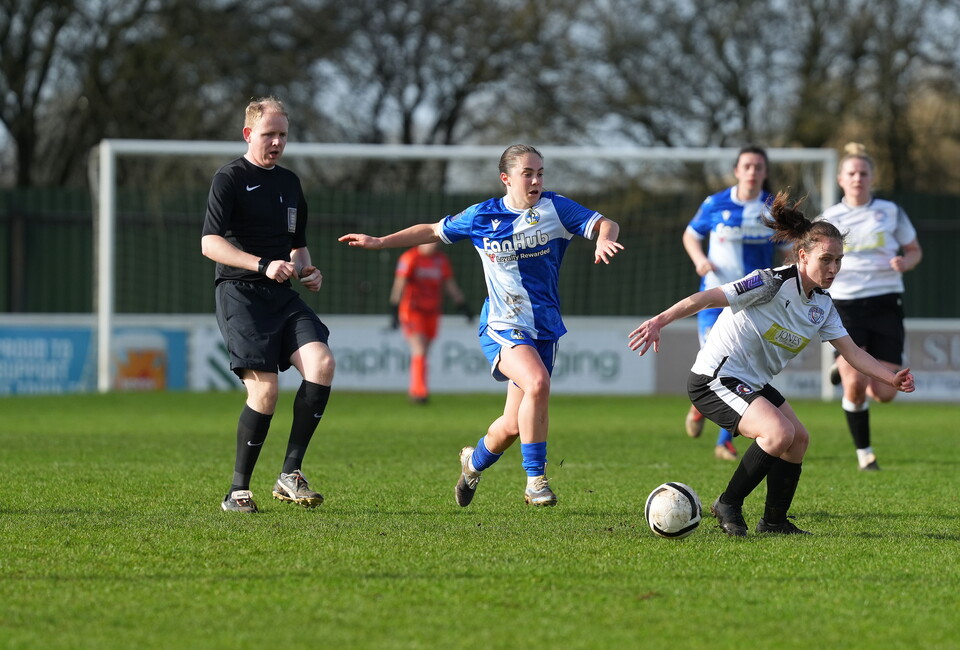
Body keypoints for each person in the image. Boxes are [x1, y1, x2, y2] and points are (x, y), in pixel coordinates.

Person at [340, 144, 623, 507]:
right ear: (506, 179)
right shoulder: (481, 216)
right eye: (528, 173)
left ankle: (471, 466)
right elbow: (432, 230)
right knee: (538, 382)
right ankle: (536, 480)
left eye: (540, 173)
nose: (536, 180)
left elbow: (606, 223)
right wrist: (381, 241)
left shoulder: (556, 208)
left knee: (512, 425)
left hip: (545, 327)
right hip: (502, 325)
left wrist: (604, 239)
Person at [628, 191, 915, 537]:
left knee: (799, 439)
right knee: (778, 433)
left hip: (751, 380)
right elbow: (709, 297)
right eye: (826, 259)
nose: (834, 268)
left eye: (839, 260)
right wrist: (660, 320)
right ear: (802, 254)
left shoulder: (821, 305)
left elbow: (852, 353)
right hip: (715, 377)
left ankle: (774, 521)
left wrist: (891, 377)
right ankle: (728, 503)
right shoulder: (770, 283)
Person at [201, 96, 335, 513]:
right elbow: (210, 243)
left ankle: (290, 474)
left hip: (281, 295)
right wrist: (261, 264)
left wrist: (308, 271)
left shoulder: (290, 183)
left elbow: (297, 246)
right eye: (268, 134)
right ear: (248, 134)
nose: (276, 142)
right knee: (266, 392)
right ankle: (237, 491)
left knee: (322, 364)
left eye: (282, 135)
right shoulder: (229, 178)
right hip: (240, 294)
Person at [818, 143, 922, 471]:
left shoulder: (890, 212)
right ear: (840, 179)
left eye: (864, 173)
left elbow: (915, 250)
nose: (858, 178)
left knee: (886, 391)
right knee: (855, 384)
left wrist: (905, 262)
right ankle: (865, 454)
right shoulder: (829, 218)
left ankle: (847, 365)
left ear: (872, 177)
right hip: (845, 304)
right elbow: (811, 260)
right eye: (852, 173)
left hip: (886, 302)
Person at [681, 146, 788, 461]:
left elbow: (788, 248)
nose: (752, 171)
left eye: (758, 166)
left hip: (754, 302)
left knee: (738, 370)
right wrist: (700, 260)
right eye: (747, 166)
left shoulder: (772, 208)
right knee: (714, 362)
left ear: (764, 172)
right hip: (714, 298)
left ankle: (723, 441)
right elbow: (690, 235)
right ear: (737, 170)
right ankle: (699, 408)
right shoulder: (716, 203)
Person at [390, 242, 473, 404]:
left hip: (432, 312)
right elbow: (399, 283)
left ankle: (416, 389)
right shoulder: (410, 257)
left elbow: (450, 284)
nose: (434, 245)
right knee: (419, 349)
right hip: (412, 311)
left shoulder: (441, 260)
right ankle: (420, 393)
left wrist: (462, 306)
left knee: (424, 352)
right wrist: (394, 308)